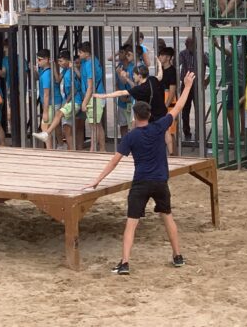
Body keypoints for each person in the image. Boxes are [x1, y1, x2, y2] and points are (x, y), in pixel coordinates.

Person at [84, 71, 196, 276]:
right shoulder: (159, 126)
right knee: (168, 217)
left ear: (135, 117)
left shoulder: (131, 137)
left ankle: (125, 263)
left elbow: (114, 162)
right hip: (160, 181)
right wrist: (187, 86)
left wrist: (97, 180)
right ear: (149, 115)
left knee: (131, 223)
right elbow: (178, 106)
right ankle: (178, 256)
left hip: (141, 182)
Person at [34, 51, 84, 150]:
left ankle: (47, 134)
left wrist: (66, 102)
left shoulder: (70, 72)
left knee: (59, 115)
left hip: (74, 101)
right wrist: (53, 68)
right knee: (66, 129)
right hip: (69, 100)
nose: (59, 64)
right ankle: (70, 149)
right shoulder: (65, 70)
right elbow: (57, 80)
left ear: (68, 61)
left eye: (61, 61)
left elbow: (74, 89)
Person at [178, 36, 207, 141]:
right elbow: (176, 65)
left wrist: (207, 80)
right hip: (186, 84)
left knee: (199, 109)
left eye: (189, 44)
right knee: (185, 109)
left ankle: (199, 132)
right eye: (186, 44)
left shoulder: (202, 54)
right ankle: (186, 132)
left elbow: (213, 66)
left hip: (197, 85)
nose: (187, 46)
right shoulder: (183, 54)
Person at [78, 42, 105, 151]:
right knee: (96, 124)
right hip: (95, 95)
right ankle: (99, 149)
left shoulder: (90, 64)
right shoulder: (91, 60)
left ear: (87, 53)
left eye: (80, 52)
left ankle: (96, 149)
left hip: (94, 96)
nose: (79, 54)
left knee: (95, 125)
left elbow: (90, 86)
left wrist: (84, 102)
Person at [33, 49, 62, 149]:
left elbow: (46, 95)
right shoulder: (45, 71)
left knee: (45, 127)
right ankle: (60, 146)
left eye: (40, 60)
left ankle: (49, 150)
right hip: (55, 101)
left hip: (51, 103)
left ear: (46, 60)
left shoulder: (46, 75)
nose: (38, 62)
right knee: (54, 126)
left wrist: (45, 112)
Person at [158, 47, 179, 154]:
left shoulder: (172, 71)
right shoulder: (161, 69)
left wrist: (165, 105)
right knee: (163, 131)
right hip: (162, 101)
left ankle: (174, 155)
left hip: (169, 103)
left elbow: (172, 91)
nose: (160, 57)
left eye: (162, 55)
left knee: (170, 132)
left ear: (168, 57)